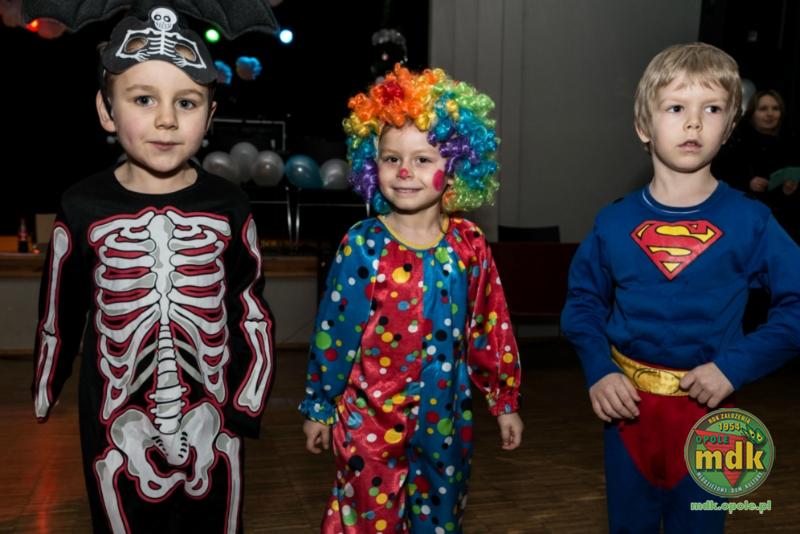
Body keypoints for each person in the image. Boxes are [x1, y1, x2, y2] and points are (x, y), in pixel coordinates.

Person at [31, 5, 276, 533]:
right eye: (144, 99)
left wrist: (247, 401)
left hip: (214, 412)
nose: (167, 120)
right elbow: (60, 305)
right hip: (116, 416)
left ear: (209, 116)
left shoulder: (230, 205)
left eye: (186, 103)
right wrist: (47, 382)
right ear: (106, 110)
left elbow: (250, 306)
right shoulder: (82, 205)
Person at [561, 43, 800, 533]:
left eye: (711, 109)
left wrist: (735, 366)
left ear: (728, 128)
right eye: (675, 108)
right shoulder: (613, 222)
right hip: (627, 415)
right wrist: (598, 370)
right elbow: (582, 303)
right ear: (643, 125)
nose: (693, 123)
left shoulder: (753, 222)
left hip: (711, 419)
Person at [299, 65, 524, 533]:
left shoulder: (469, 244)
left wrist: (504, 401)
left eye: (423, 159)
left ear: (456, 168)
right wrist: (320, 406)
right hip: (368, 422)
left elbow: (490, 325)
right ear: (372, 164)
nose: (404, 171)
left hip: (446, 421)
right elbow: (334, 335)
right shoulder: (362, 244)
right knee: (367, 520)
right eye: (390, 158)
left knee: (440, 521)